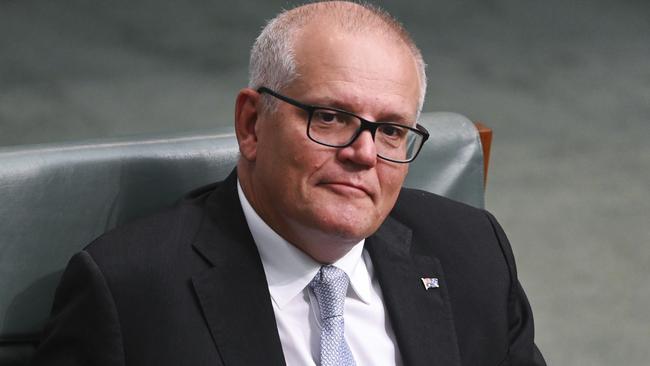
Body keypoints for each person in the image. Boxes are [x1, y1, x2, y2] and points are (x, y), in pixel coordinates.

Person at [31, 1, 546, 365]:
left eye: (391, 131)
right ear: (252, 124)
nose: (363, 153)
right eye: (330, 117)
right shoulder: (129, 292)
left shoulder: (474, 252)